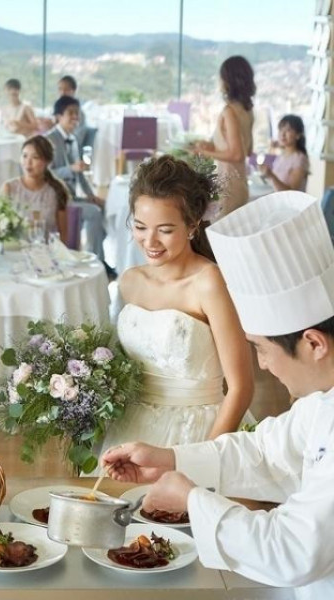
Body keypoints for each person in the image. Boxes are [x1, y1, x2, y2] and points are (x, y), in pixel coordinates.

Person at [102, 191, 334, 600]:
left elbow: (293, 550)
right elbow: (265, 451)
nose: (263, 366)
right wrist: (171, 459)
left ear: (314, 343)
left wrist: (193, 500)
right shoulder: (319, 403)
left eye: (261, 349)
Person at [97, 155, 253, 457]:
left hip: (198, 432)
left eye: (165, 230)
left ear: (192, 225)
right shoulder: (130, 282)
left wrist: (202, 459)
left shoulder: (209, 283)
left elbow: (241, 387)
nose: (150, 241)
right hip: (131, 429)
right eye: (140, 227)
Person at [45, 96, 107, 265]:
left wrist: (91, 195)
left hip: (73, 195)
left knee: (104, 207)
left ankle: (94, 254)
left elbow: (79, 174)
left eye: (77, 113)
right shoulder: (49, 140)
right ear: (58, 116)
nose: (75, 117)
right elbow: (45, 174)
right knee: (93, 212)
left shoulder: (74, 139)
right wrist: (70, 168)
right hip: (58, 198)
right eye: (70, 113)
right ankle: (96, 261)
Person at [194, 55, 256, 218]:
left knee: (219, 231)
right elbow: (248, 150)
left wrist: (204, 152)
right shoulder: (247, 110)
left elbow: (237, 155)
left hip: (228, 187)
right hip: (241, 184)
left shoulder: (229, 112)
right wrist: (212, 146)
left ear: (227, 81)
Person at [0, 135, 68, 243]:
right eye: (24, 156)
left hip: (45, 251)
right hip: (14, 250)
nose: (28, 162)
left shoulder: (57, 190)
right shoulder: (9, 188)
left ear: (47, 161)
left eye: (35, 157)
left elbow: (64, 236)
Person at [260, 114, 309, 192]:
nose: (282, 134)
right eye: (280, 130)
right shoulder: (282, 155)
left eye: (288, 130)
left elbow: (292, 192)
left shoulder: (299, 159)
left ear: (298, 135)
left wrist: (272, 176)